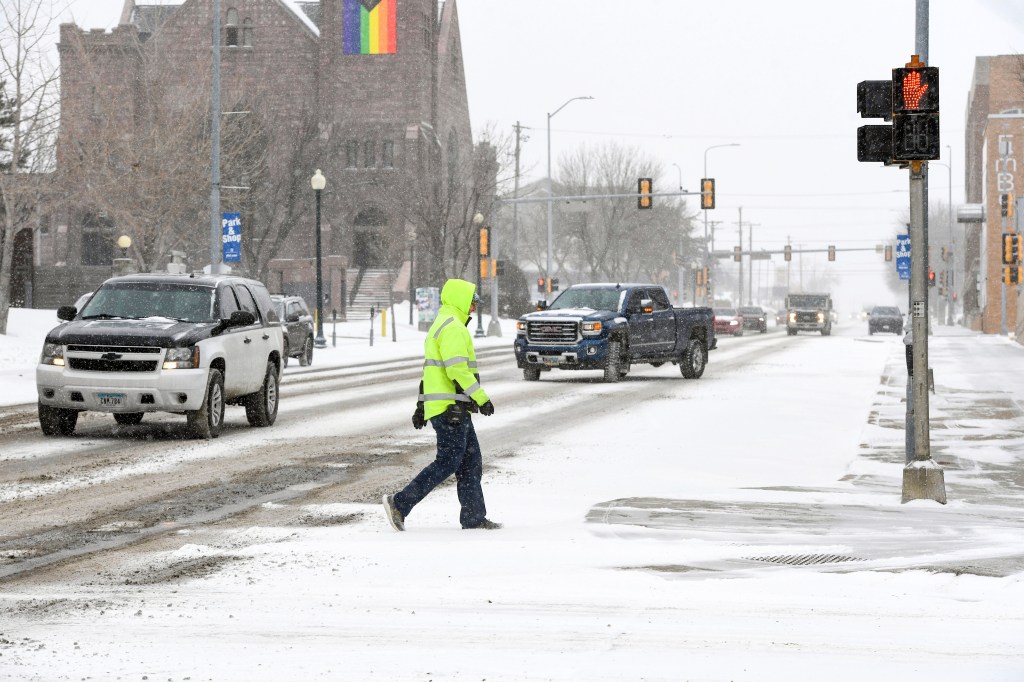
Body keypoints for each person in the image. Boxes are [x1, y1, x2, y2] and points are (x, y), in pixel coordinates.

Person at [383, 278, 500, 531]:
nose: (474, 308)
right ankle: (400, 503)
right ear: (460, 300)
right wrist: (482, 398)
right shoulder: (453, 328)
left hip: (452, 409)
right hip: (451, 411)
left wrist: (421, 406)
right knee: (448, 462)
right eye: (472, 302)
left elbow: (430, 374)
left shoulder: (442, 325)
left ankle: (473, 517)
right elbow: (456, 368)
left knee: (470, 463)